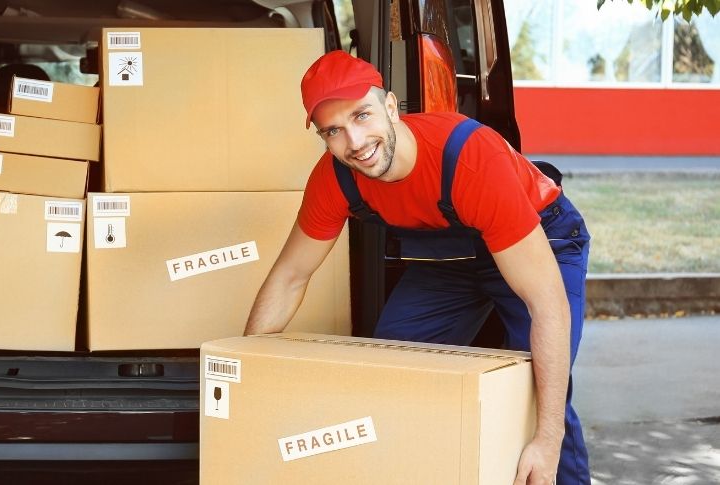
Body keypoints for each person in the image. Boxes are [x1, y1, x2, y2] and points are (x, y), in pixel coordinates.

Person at [243, 50, 591, 485]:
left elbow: (547, 301)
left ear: (391, 106)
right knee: (394, 375)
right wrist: (246, 378)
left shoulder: (469, 157)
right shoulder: (335, 178)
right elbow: (290, 276)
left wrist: (547, 437)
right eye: (333, 130)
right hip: (453, 258)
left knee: (540, 397)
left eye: (362, 115)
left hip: (544, 240)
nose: (354, 142)